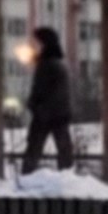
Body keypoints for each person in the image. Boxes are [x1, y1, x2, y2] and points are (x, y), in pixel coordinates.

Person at [20, 26, 75, 175]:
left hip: (47, 115)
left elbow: (43, 91)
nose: (33, 47)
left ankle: (28, 180)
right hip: (57, 114)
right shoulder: (56, 63)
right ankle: (67, 178)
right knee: (64, 151)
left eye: (36, 43)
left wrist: (35, 106)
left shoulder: (48, 65)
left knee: (34, 150)